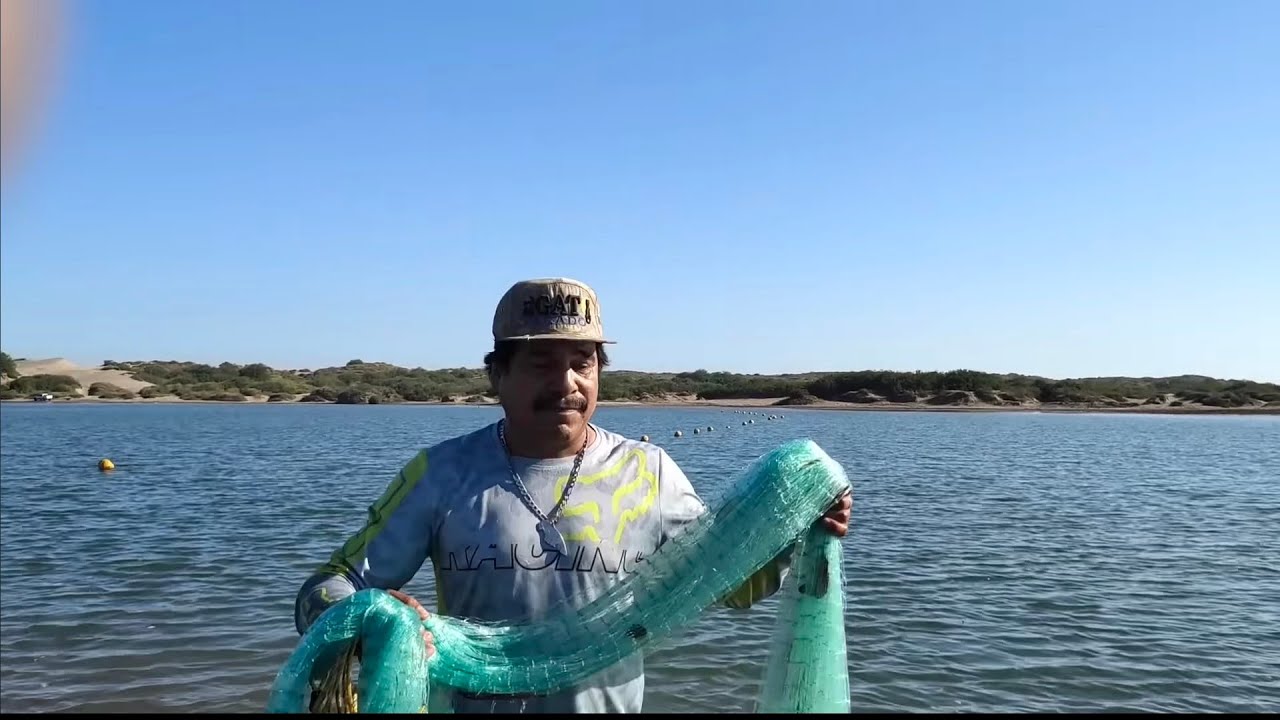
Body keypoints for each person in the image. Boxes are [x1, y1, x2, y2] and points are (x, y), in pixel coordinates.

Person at [293, 277, 852, 714]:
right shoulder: (440, 474)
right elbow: (324, 589)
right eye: (542, 364)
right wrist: (374, 615)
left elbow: (734, 588)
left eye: (582, 362)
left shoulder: (648, 473)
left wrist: (799, 529)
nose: (567, 383)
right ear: (497, 375)